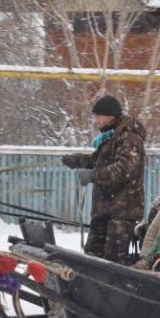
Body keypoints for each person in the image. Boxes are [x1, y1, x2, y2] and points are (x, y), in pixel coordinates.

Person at [61, 95, 147, 263]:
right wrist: (78, 160)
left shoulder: (129, 138)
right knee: (92, 256)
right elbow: (97, 161)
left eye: (99, 116)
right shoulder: (111, 137)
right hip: (105, 209)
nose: (96, 120)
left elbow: (124, 169)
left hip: (122, 211)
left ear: (111, 116)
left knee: (111, 261)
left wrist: (91, 176)